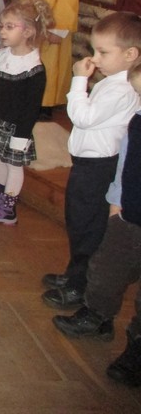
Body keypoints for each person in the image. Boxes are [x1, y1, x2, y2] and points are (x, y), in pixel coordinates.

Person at [51, 60, 141, 387]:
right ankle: (96, 314)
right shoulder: (138, 119)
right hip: (128, 212)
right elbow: (126, 163)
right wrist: (116, 200)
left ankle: (136, 348)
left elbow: (85, 117)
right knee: (106, 269)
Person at [42, 12, 141, 310]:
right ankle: (75, 273)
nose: (95, 59)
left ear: (130, 54)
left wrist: (79, 80)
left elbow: (82, 117)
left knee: (88, 228)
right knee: (78, 222)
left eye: (103, 52)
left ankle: (80, 285)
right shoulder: (113, 82)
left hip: (99, 169)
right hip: (88, 165)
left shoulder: (122, 89)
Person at [0, 0, 52, 225]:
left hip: (16, 129)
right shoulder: (1, 56)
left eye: (10, 27)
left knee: (13, 165)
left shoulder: (34, 68)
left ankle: (8, 207)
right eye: (2, 26)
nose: (2, 31)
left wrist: (20, 137)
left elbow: (31, 108)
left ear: (28, 32)